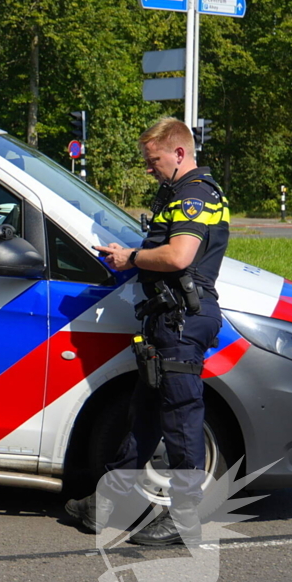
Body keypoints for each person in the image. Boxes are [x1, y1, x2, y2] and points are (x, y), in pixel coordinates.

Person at [66, 116, 229, 545]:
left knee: (180, 419)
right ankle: (112, 502)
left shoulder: (195, 195)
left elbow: (178, 256)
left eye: (153, 159)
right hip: (165, 319)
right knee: (146, 415)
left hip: (181, 321)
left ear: (179, 153)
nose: (149, 168)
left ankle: (183, 519)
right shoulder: (178, 192)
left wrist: (132, 257)